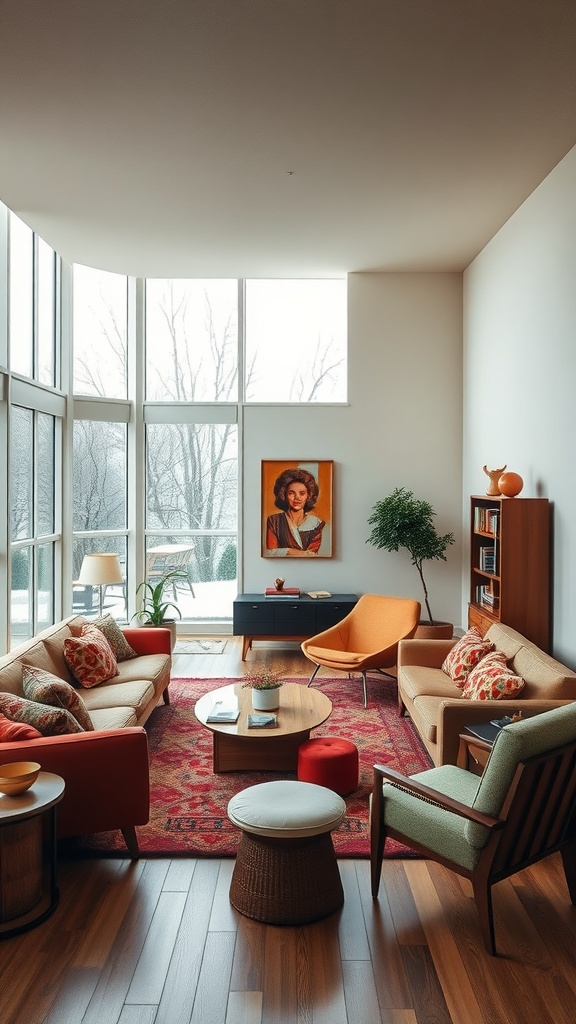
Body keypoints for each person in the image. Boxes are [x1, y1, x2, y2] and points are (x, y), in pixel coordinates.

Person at [265, 468, 326, 557]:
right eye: (291, 493)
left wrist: (285, 552)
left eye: (302, 493)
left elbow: (311, 556)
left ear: (308, 496)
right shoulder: (274, 521)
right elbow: (270, 553)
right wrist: (291, 551)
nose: (297, 497)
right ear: (284, 495)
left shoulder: (316, 523)